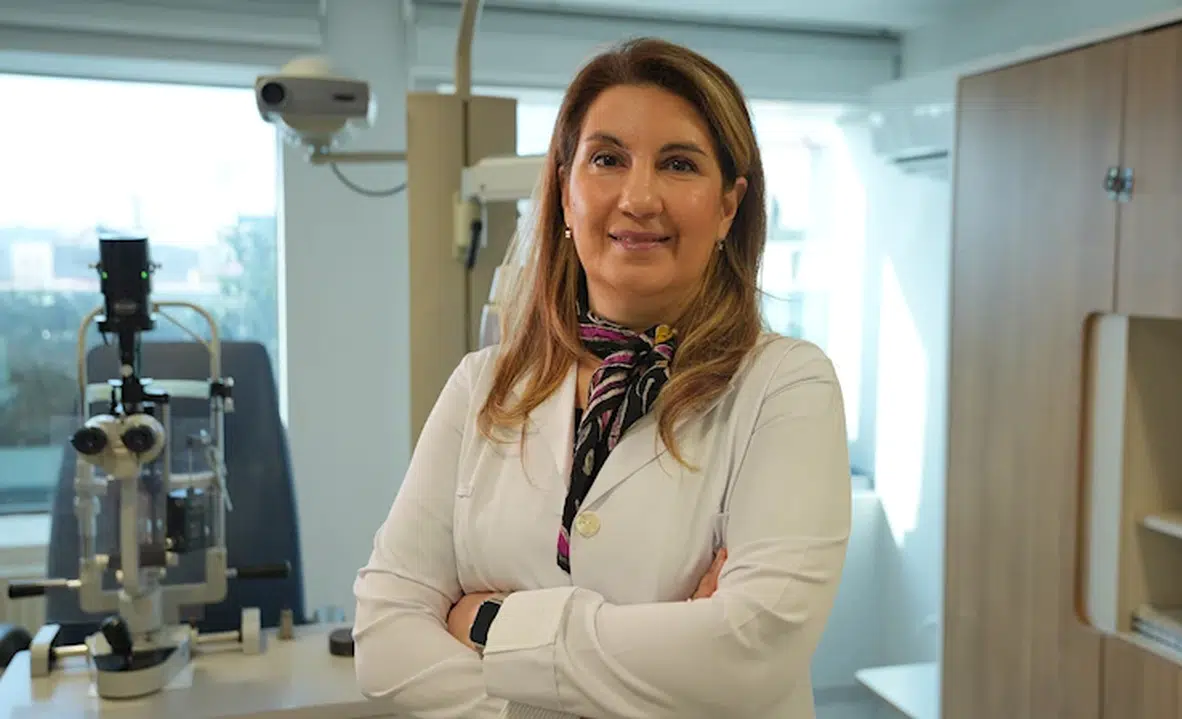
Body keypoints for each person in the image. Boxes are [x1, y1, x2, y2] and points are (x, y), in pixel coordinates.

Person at [351, 36, 852, 719]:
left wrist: (490, 624)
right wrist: (653, 665)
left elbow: (751, 650)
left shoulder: (786, 386)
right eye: (608, 159)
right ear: (565, 193)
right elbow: (384, 639)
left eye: (678, 164)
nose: (639, 198)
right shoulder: (481, 385)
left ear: (728, 207)